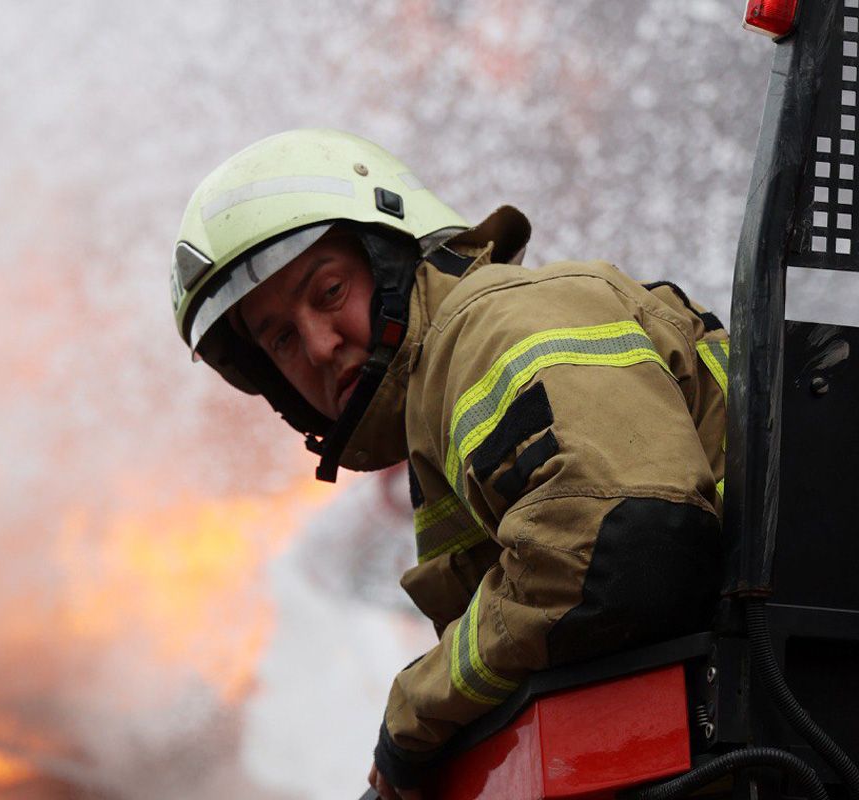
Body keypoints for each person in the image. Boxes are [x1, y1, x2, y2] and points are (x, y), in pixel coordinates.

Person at [169, 129, 727, 799]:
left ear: (390, 253)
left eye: (327, 292)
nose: (317, 347)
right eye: (282, 339)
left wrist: (419, 708)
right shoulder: (437, 406)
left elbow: (621, 551)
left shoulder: (494, 324)